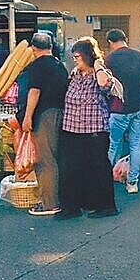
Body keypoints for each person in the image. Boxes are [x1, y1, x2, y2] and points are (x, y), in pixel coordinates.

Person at [58, 37, 118, 220]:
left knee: (98, 168)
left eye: (78, 56)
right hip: (72, 128)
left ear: (87, 56)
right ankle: (72, 206)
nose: (75, 60)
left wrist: (98, 63)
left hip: (95, 130)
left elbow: (103, 85)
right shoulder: (75, 74)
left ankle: (106, 205)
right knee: (71, 168)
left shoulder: (100, 74)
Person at [19, 32, 69, 216]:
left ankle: (49, 203)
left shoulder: (38, 66)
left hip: (45, 115)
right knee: (55, 157)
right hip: (61, 114)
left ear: (33, 48)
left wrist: (27, 117)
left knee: (45, 159)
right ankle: (59, 199)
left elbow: (35, 92)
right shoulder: (59, 65)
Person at [105, 29, 140, 195]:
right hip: (139, 106)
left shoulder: (109, 60)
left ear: (110, 42)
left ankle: (105, 178)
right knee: (136, 144)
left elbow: (106, 86)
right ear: (125, 39)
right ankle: (132, 182)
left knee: (112, 144)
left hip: (118, 109)